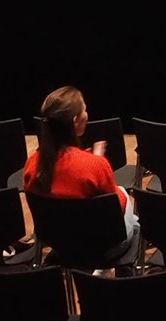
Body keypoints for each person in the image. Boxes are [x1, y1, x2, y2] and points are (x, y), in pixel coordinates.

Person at [23, 86, 134, 239]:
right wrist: (97, 161)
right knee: (124, 195)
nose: (87, 114)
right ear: (75, 121)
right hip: (102, 245)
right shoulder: (95, 165)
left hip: (59, 242)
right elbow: (117, 208)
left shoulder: (32, 164)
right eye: (85, 110)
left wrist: (93, 160)